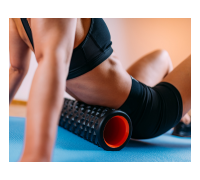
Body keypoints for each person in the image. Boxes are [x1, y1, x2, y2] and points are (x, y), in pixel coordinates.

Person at [9, 18, 191, 162]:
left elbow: (16, 70)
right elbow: (53, 62)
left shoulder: (16, 18)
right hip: (149, 114)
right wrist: (36, 158)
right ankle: (181, 115)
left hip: (129, 99)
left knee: (162, 55)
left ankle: (183, 116)